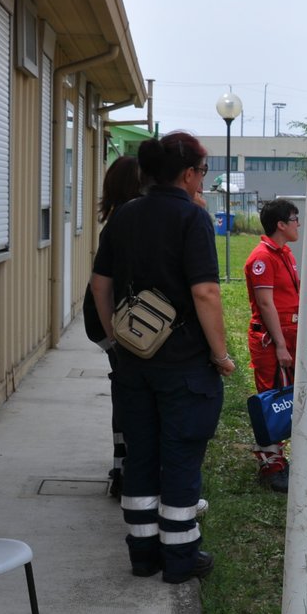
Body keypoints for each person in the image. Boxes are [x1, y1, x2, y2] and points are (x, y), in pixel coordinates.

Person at [90, 131, 234, 585]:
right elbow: (206, 292)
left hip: (133, 365)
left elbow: (99, 286)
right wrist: (220, 354)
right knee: (180, 459)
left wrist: (117, 338)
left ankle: (142, 555)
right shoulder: (192, 219)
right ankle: (179, 557)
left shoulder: (125, 215)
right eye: (203, 172)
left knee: (141, 458)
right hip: (184, 365)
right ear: (189, 174)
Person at [85, 155, 144, 498]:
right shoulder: (128, 221)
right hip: (113, 324)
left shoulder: (120, 218)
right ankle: (124, 472)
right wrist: (114, 338)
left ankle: (121, 465)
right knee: (127, 394)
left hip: (106, 322)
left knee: (123, 392)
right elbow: (102, 285)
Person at [245, 198, 301, 491]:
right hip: (271, 339)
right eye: (294, 218)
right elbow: (265, 304)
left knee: (287, 396)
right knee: (271, 397)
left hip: (290, 334)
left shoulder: (285, 253)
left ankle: (279, 457)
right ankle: (271, 464)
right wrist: (280, 345)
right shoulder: (262, 258)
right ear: (280, 224)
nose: (298, 224)